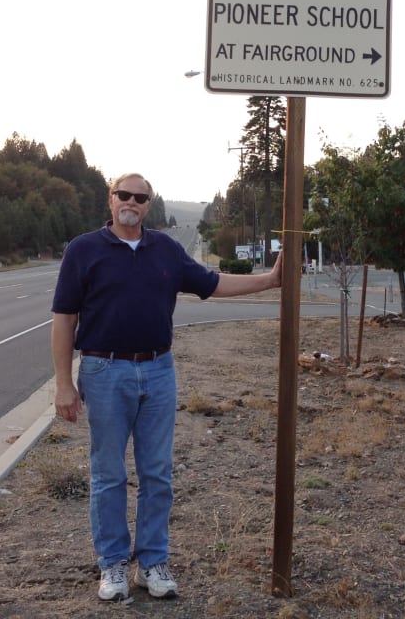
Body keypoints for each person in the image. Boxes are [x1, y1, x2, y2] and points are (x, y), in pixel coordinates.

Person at [51, 172, 282, 602]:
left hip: (158, 370)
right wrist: (64, 384)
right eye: (125, 194)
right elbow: (64, 318)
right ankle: (114, 565)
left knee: (157, 474)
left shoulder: (167, 250)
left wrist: (269, 280)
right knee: (109, 474)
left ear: (148, 205)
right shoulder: (83, 250)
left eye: (140, 197)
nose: (132, 202)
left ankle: (153, 562)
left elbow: (212, 284)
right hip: (104, 372)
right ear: (111, 198)